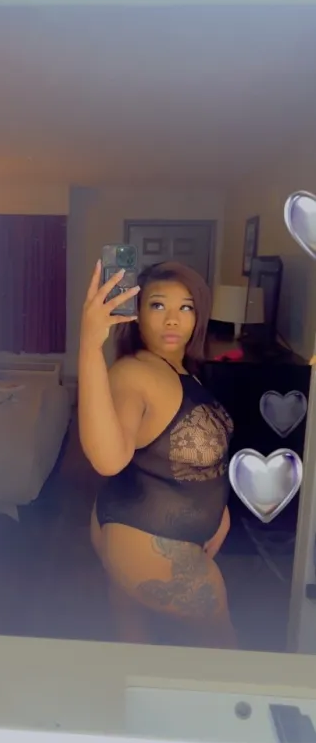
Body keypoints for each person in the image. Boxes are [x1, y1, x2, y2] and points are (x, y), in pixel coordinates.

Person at [78, 259, 237, 649]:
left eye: (186, 307)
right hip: (147, 538)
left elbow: (180, 458)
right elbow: (108, 460)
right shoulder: (133, 374)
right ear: (136, 314)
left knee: (134, 644)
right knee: (224, 652)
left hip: (155, 528)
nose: (173, 319)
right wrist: (89, 346)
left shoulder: (181, 370)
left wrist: (220, 514)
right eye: (158, 305)